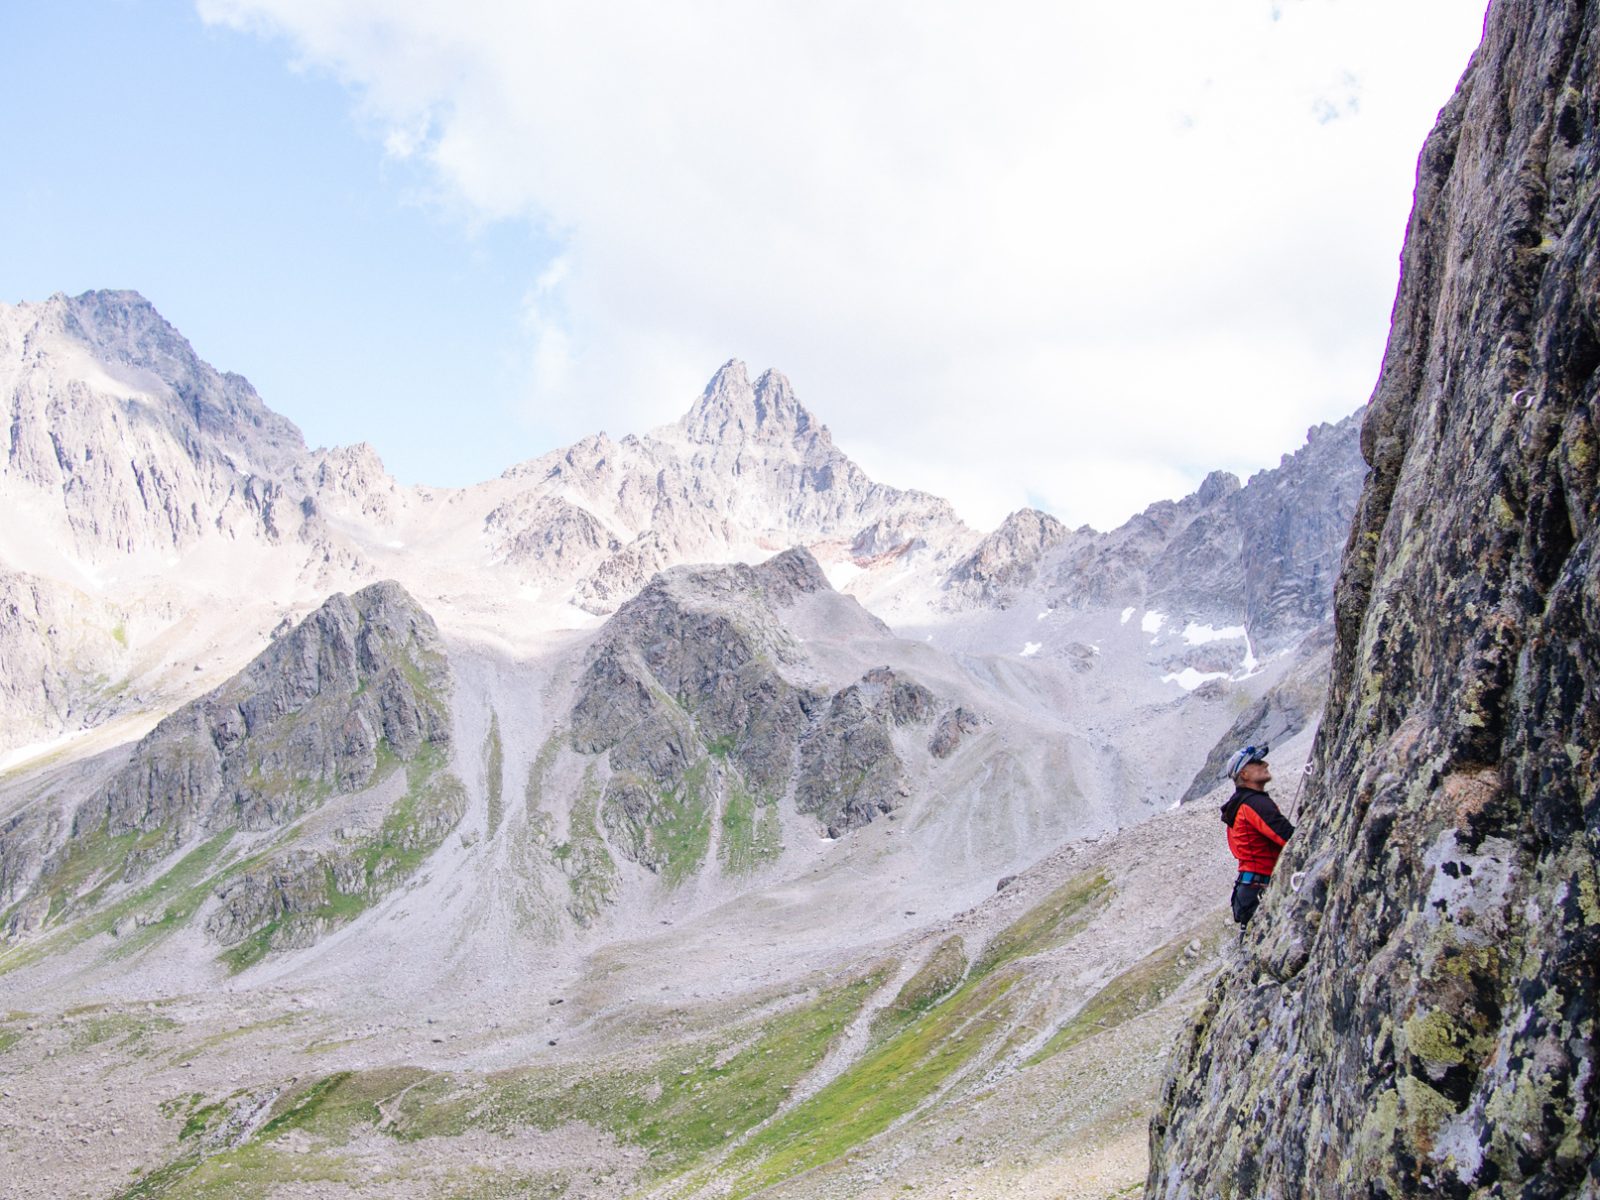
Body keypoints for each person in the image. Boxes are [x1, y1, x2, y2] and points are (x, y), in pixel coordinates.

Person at [1220, 744, 1294, 927]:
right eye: (1257, 763)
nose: (1265, 764)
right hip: (1259, 888)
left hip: (1249, 889)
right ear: (1244, 774)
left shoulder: (1237, 806)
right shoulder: (1254, 804)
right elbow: (1289, 838)